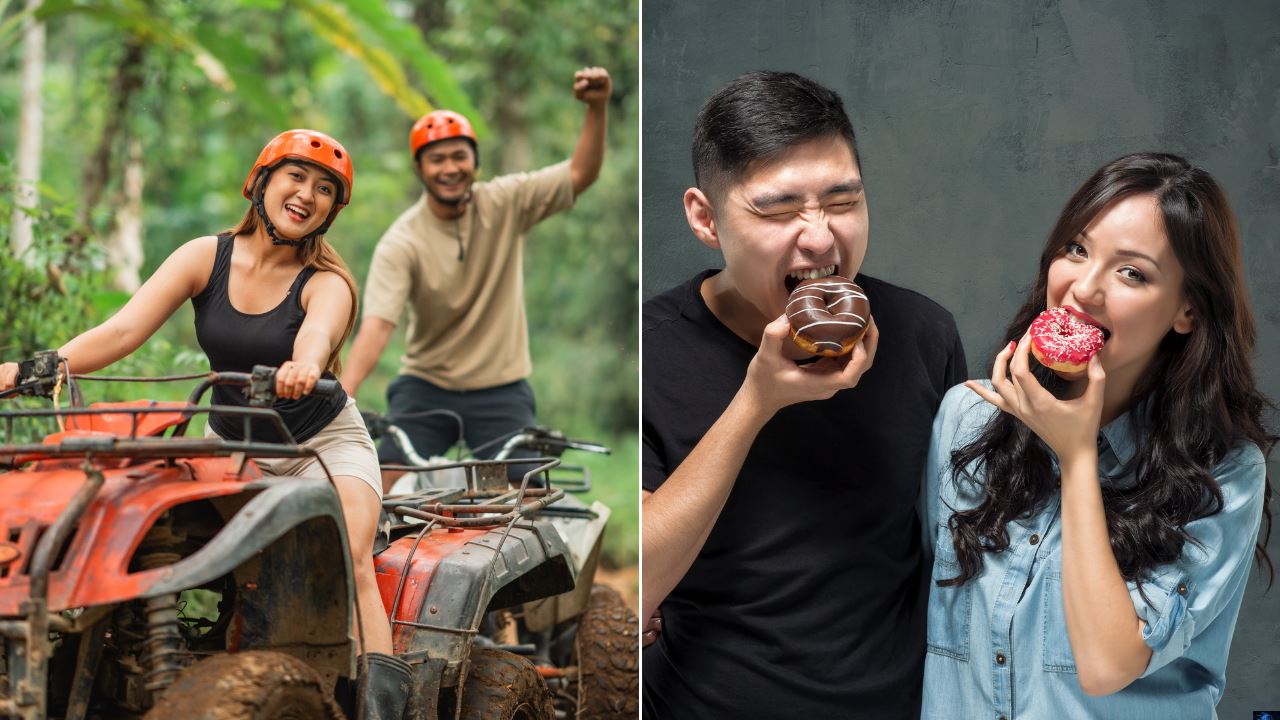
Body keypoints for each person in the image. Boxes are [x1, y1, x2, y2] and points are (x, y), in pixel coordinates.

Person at [0, 130, 412, 719]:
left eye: (325, 189)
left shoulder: (327, 282)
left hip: (319, 446)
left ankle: (382, 708)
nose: (307, 194)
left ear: (331, 210)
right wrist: (30, 369)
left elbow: (317, 335)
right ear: (261, 182)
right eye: (296, 177)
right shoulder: (206, 257)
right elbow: (123, 330)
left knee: (349, 553)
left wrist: (303, 366)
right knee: (155, 534)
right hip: (231, 445)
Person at [641, 70, 967, 718]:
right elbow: (637, 584)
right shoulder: (650, 351)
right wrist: (756, 402)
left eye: (843, 201)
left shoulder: (923, 333)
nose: (820, 238)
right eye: (777, 209)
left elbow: (966, 545)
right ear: (705, 218)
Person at [922, 153, 1274, 719]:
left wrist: (1077, 456)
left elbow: (1108, 665)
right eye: (1076, 249)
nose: (1083, 289)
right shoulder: (968, 419)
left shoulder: (1226, 472)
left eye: (1132, 273)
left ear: (1187, 310)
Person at [340, 67, 612, 492]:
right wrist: (343, 399)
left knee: (528, 496)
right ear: (420, 168)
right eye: (437, 159)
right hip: (427, 385)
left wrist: (596, 107)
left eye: (459, 156)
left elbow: (581, 174)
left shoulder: (504, 202)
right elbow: (377, 327)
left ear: (475, 162)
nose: (449, 168)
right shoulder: (402, 240)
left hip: (501, 388)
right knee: (382, 481)